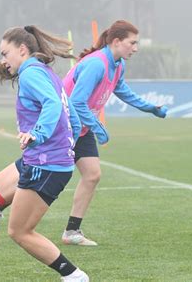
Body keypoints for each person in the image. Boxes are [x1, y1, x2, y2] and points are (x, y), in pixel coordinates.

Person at [0, 25, 89, 282]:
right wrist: (73, 138)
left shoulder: (31, 74)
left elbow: (53, 104)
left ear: (22, 49)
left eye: (5, 54)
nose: (3, 60)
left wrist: (38, 134)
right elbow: (69, 110)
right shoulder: (42, 72)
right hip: (38, 159)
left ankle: (74, 276)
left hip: (46, 164)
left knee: (20, 232)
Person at [61, 20, 168, 246]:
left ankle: (72, 232)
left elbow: (123, 92)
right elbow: (76, 101)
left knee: (92, 175)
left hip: (82, 127)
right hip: (62, 126)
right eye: (132, 43)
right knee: (40, 175)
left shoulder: (118, 64)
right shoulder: (96, 64)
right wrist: (98, 126)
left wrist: (151, 108)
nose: (136, 48)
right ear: (117, 42)